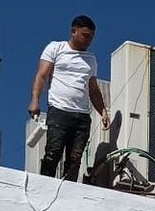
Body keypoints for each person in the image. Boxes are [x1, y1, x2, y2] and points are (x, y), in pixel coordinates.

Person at [28, 15, 111, 182]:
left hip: (81, 116)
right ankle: (44, 185)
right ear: (74, 31)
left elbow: (93, 89)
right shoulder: (56, 48)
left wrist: (102, 111)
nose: (89, 41)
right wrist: (35, 100)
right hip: (59, 110)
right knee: (53, 152)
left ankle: (68, 192)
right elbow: (42, 75)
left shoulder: (91, 59)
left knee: (74, 161)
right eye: (85, 35)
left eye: (91, 37)